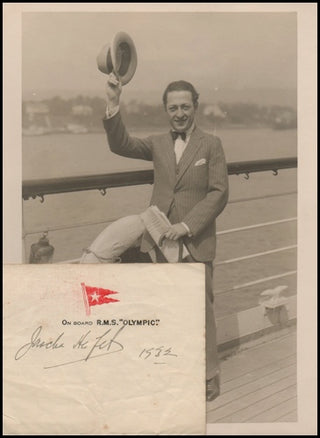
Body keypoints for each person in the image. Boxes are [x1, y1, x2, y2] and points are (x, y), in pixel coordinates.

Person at [103, 74, 229, 402]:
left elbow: (218, 193)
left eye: (185, 106)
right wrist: (114, 100)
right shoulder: (158, 143)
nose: (179, 113)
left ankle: (208, 376)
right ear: (165, 110)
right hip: (159, 242)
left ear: (195, 107)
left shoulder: (212, 145)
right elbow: (120, 145)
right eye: (173, 107)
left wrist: (186, 226)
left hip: (194, 240)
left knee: (201, 309)